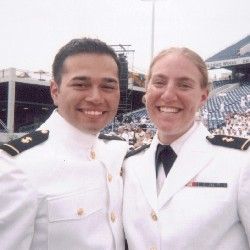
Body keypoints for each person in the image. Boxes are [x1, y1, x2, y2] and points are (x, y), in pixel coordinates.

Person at [0, 38, 128, 250]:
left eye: (108, 86)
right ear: (55, 91)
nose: (96, 97)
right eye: (81, 84)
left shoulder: (117, 150)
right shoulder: (15, 167)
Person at [123, 47, 250, 249]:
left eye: (184, 85)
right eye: (159, 82)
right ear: (147, 90)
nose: (168, 94)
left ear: (203, 96)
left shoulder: (241, 162)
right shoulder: (130, 164)